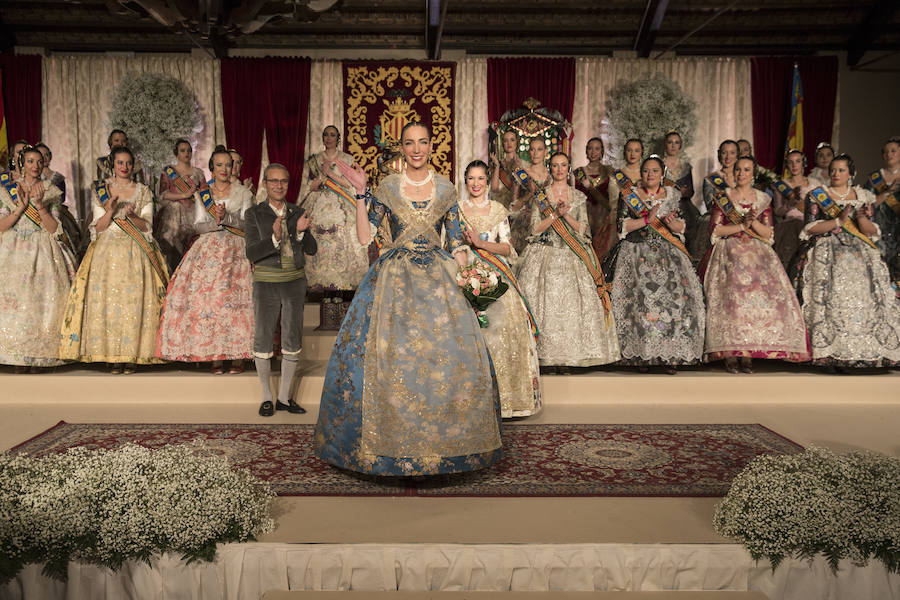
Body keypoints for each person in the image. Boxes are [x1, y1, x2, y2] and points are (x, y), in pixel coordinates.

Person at [315, 122, 501, 476]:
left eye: (423, 143)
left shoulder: (446, 188)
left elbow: (456, 239)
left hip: (440, 277)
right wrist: (359, 194)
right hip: (393, 281)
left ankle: (448, 445)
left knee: (449, 359)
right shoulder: (386, 187)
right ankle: (385, 447)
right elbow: (364, 235)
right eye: (409, 143)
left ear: (432, 146)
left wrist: (469, 278)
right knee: (389, 358)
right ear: (401, 147)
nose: (416, 149)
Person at [60, 146, 169, 373]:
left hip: (136, 252)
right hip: (106, 253)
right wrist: (110, 210)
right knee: (108, 303)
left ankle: (132, 355)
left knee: (134, 302)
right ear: (113, 164)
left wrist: (132, 215)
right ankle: (111, 355)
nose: (124, 167)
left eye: (128, 163)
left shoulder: (143, 191)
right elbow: (98, 228)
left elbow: (148, 227)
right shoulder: (102, 189)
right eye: (120, 163)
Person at [701, 155, 809, 373]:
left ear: (753, 174)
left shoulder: (762, 200)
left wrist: (753, 223)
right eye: (738, 170)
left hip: (757, 250)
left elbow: (769, 235)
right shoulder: (723, 197)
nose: (741, 174)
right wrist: (741, 226)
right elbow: (715, 230)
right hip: (729, 249)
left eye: (746, 170)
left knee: (762, 290)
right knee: (732, 290)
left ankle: (748, 352)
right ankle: (731, 352)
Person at [515, 151, 620, 369]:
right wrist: (553, 215)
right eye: (555, 165)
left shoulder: (578, 197)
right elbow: (534, 229)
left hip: (572, 255)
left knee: (571, 309)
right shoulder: (541, 196)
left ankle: (569, 359)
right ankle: (547, 358)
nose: (559, 169)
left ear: (569, 168)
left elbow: (584, 231)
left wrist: (566, 215)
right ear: (550, 168)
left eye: (563, 165)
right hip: (545, 253)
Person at [793, 154, 900, 368]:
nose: (836, 174)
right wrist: (837, 221)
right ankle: (829, 350)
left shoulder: (863, 196)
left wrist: (860, 218)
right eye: (833, 170)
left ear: (851, 173)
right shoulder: (818, 195)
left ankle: (867, 350)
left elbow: (872, 231)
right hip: (827, 247)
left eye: (841, 170)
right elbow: (810, 228)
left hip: (860, 251)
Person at [156, 146, 255, 373]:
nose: (223, 169)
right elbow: (198, 225)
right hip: (208, 249)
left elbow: (248, 224)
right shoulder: (203, 194)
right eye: (218, 165)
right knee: (210, 301)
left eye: (227, 165)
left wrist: (227, 217)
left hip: (236, 250)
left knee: (236, 302)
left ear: (232, 167)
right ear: (212, 168)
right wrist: (216, 221)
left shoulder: (243, 193)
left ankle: (238, 355)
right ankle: (215, 356)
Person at [605, 156, 704, 372]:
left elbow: (681, 227)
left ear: (662, 174)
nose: (650, 175)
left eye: (655, 171)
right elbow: (622, 226)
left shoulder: (672, 195)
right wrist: (647, 220)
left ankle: (669, 355)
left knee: (672, 300)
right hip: (635, 251)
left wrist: (671, 223)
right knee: (640, 302)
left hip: (667, 254)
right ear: (641, 174)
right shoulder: (629, 195)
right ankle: (642, 355)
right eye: (646, 171)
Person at [459, 159, 541, 418]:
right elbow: (448, 244)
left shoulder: (498, 210)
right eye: (471, 178)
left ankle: (508, 399)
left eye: (481, 178)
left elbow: (507, 248)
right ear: (465, 181)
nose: (476, 183)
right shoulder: (457, 210)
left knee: (506, 326)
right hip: (463, 270)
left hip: (495, 271)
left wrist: (482, 246)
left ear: (487, 182)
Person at [245, 163, 317, 417]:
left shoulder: (298, 211)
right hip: (266, 283)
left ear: (288, 184)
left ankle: (284, 398)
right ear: (265, 183)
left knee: (292, 339)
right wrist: (275, 238)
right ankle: (267, 397)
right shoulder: (254, 214)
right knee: (263, 338)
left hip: (294, 282)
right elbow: (251, 252)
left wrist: (300, 233)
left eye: (283, 181)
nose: (278, 186)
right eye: (273, 181)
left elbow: (311, 249)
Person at [0, 145, 76, 371]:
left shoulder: (51, 190)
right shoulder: (8, 190)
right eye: (30, 161)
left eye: (39, 161)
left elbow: (54, 230)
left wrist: (41, 207)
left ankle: (40, 355)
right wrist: (20, 208)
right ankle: (16, 355)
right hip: (12, 250)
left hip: (43, 250)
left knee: (42, 303)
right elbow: (1, 226)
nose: (35, 166)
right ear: (21, 164)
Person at [298, 125, 370, 298]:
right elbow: (309, 184)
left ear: (338, 138)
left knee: (346, 235)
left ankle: (344, 281)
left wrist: (329, 173)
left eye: (332, 135)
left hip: (341, 203)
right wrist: (318, 182)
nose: (328, 138)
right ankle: (318, 282)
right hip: (318, 201)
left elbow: (350, 184)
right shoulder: (314, 160)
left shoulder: (347, 158)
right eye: (326, 135)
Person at [156, 138, 205, 272]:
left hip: (194, 213)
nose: (186, 153)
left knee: (193, 247)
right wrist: (184, 195)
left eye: (189, 150)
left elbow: (205, 194)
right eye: (183, 150)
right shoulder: (168, 172)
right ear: (176, 153)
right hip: (174, 213)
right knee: (172, 247)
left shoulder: (198, 173)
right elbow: (163, 194)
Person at [695, 140, 739, 265]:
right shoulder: (711, 179)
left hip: (740, 218)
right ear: (719, 155)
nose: (728, 157)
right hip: (717, 217)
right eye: (724, 153)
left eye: (732, 153)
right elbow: (710, 203)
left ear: (737, 155)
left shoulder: (743, 177)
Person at [35, 142, 82, 261]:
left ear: (50, 157)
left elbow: (61, 198)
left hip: (54, 211)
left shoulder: (58, 177)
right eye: (41, 154)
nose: (44, 158)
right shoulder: (32, 175)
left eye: (46, 155)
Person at [864, 137, 900, 283]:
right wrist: (887, 192)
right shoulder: (875, 177)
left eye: (893, 151)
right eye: (885, 152)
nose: (889, 154)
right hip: (879, 228)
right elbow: (867, 205)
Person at [507, 136, 551, 255]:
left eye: (540, 149)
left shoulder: (552, 174)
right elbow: (513, 208)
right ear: (528, 151)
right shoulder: (520, 174)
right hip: (525, 227)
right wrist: (530, 194)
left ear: (546, 151)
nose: (535, 153)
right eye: (532, 149)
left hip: (548, 223)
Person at [573, 137, 615, 261]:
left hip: (604, 218)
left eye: (597, 149)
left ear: (602, 151)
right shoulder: (578, 173)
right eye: (590, 148)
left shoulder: (609, 171)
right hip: (584, 217)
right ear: (586, 151)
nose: (593, 152)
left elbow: (613, 197)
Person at [771, 149, 814, 268]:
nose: (794, 165)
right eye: (790, 162)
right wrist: (792, 202)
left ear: (803, 163)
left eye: (798, 161)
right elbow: (778, 211)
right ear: (786, 165)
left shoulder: (814, 184)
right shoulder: (781, 185)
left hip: (808, 225)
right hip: (788, 227)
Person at [662, 131, 697, 259]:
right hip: (664, 205)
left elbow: (691, 190)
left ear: (680, 145)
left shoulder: (686, 166)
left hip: (684, 205)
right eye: (670, 142)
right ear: (665, 145)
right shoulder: (659, 164)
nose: (673, 146)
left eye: (676, 143)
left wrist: (685, 192)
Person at [490, 129, 524, 210]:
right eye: (506, 140)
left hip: (519, 211)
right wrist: (497, 167)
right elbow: (494, 189)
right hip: (501, 210)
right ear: (502, 144)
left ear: (517, 142)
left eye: (512, 140)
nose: (509, 143)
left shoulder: (524, 165)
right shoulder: (497, 165)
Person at [607, 138, 643, 206]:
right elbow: (614, 203)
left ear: (641, 153)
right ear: (624, 152)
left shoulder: (648, 174)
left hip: (644, 215)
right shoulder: (617, 175)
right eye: (629, 150)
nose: (632, 154)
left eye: (637, 151)